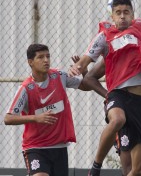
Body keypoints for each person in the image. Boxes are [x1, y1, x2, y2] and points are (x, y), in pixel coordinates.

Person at [68, 0, 141, 176]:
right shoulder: (104, 37)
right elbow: (86, 61)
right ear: (112, 16)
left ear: (132, 14)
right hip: (119, 95)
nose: (122, 16)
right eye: (118, 13)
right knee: (118, 120)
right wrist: (78, 67)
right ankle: (96, 167)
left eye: (126, 12)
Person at [82, 50, 141, 176]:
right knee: (129, 169)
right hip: (129, 111)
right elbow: (89, 78)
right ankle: (96, 166)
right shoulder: (122, 50)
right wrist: (110, 96)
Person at [4, 44, 90, 176]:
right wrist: (35, 118)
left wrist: (83, 69)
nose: (46, 60)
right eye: (41, 57)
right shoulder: (26, 88)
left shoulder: (59, 76)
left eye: (48, 56)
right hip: (36, 147)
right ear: (30, 62)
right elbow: (8, 118)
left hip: (59, 147)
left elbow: (86, 86)